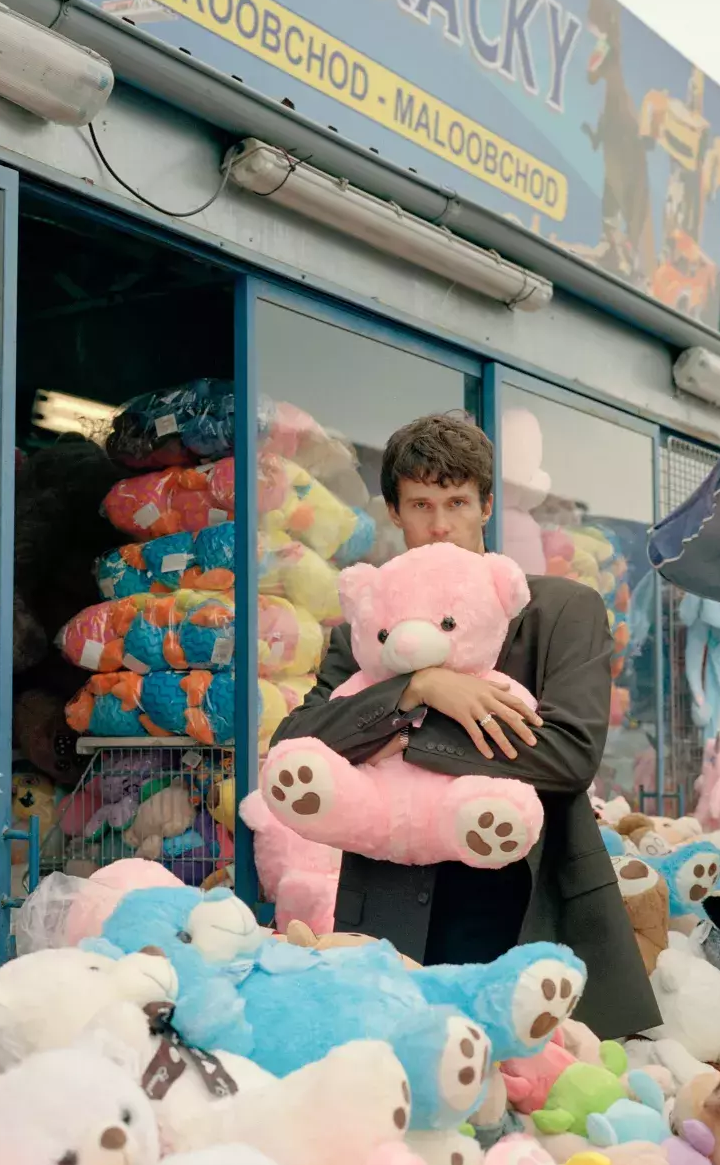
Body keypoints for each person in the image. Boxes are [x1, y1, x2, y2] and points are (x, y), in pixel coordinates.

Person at [270, 413, 659, 1039]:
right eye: (421, 505)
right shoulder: (368, 632)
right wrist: (417, 688)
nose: (440, 525)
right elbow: (294, 742)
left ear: (487, 506)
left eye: (457, 503)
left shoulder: (558, 610)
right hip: (393, 913)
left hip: (527, 909)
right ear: (394, 513)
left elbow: (568, 755)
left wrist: (407, 736)